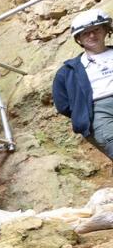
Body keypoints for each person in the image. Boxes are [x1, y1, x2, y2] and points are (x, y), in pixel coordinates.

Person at [53, 8, 113, 160]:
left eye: (96, 29)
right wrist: (83, 113)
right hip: (99, 112)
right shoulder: (67, 72)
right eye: (86, 33)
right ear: (78, 38)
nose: (92, 35)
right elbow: (63, 105)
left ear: (106, 30)